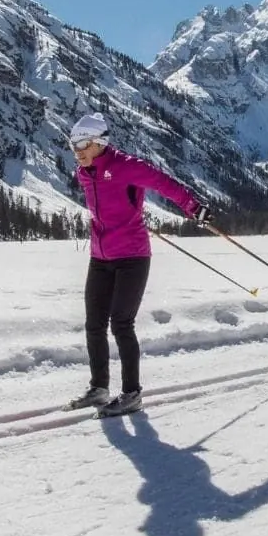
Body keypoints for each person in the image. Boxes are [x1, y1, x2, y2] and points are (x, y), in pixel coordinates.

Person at [65, 113, 212, 418]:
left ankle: (132, 394)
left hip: (132, 256)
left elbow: (162, 183)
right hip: (100, 256)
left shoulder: (125, 166)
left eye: (82, 143)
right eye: (72, 143)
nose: (76, 149)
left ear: (99, 142)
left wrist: (192, 207)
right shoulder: (85, 171)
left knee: (121, 323)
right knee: (94, 324)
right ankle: (99, 389)